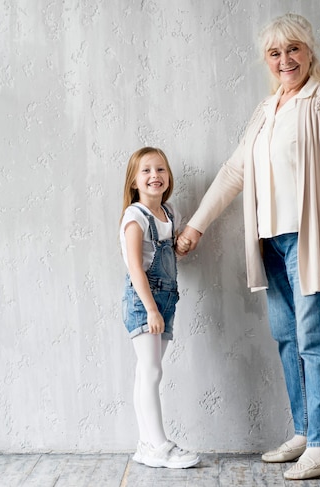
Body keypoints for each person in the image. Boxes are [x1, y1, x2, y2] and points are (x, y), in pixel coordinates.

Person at [178, 13, 320, 480]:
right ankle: (304, 431)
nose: (285, 60)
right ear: (267, 60)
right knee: (287, 339)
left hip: (310, 239)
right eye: (275, 53)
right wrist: (197, 226)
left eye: (293, 49)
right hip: (269, 242)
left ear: (309, 51)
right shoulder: (266, 110)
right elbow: (234, 172)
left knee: (314, 340)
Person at [119, 147, 200, 469]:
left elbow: (165, 254)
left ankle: (146, 445)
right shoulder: (135, 216)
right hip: (145, 302)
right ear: (134, 182)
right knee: (151, 371)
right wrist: (151, 310)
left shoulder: (168, 213)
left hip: (166, 300)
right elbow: (136, 268)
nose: (155, 176)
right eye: (146, 171)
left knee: (146, 372)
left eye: (161, 169)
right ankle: (159, 444)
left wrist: (181, 243)